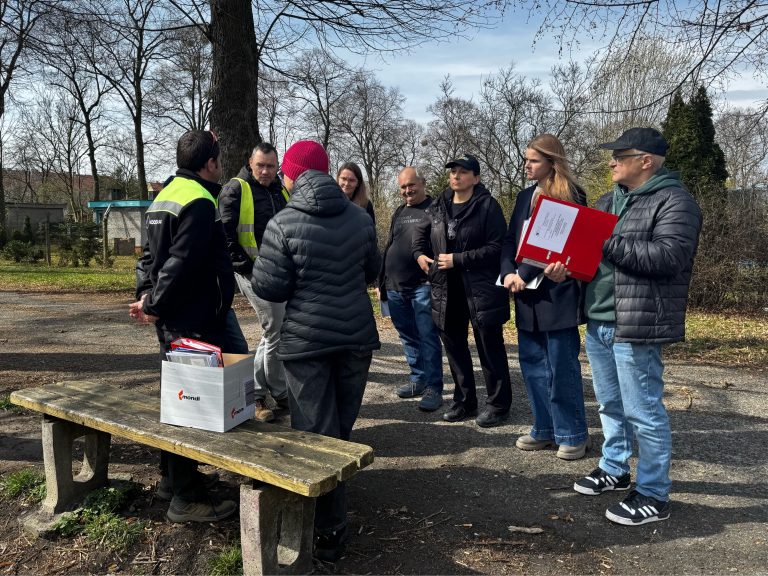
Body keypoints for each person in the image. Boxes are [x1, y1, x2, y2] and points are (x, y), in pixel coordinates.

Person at [251, 140, 380, 561]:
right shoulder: (360, 219)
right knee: (340, 430)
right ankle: (334, 515)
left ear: (292, 174)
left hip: (306, 343)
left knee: (314, 435)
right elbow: (373, 271)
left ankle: (327, 531)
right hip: (355, 338)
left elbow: (269, 287)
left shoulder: (283, 222)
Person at [572, 127, 702, 526]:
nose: (611, 162)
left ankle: (653, 494)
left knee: (643, 411)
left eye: (619, 155)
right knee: (610, 405)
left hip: (637, 323)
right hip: (599, 320)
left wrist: (603, 240)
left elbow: (668, 258)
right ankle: (614, 467)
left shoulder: (676, 201)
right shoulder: (607, 200)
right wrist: (567, 267)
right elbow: (588, 255)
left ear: (645, 160)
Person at [129, 129, 238, 523]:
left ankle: (170, 480)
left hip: (176, 314)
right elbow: (181, 263)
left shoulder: (165, 196)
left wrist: (146, 297)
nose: (221, 165)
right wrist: (155, 303)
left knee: (176, 399)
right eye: (219, 159)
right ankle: (186, 498)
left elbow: (148, 258)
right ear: (209, 163)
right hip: (191, 317)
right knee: (188, 405)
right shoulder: (200, 200)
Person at [500, 134, 590, 460]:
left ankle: (573, 433)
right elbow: (510, 240)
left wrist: (520, 275)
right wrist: (508, 273)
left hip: (557, 294)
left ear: (553, 162)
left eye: (534, 160)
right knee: (533, 365)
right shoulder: (525, 196)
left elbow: (553, 244)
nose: (527, 164)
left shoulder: (573, 195)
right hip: (526, 296)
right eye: (526, 159)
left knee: (561, 366)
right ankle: (544, 428)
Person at [413, 154, 512, 427]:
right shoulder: (438, 207)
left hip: (480, 290)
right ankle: (464, 401)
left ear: (476, 178)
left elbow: (497, 248)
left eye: (463, 172)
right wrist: (420, 255)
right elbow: (419, 236)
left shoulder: (487, 206)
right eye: (453, 171)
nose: (456, 176)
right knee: (455, 349)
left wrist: (458, 259)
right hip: (446, 289)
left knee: (489, 348)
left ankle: (498, 405)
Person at [219, 142, 290, 422]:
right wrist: (248, 268)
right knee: (275, 327)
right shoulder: (236, 189)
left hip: (278, 272)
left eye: (271, 166)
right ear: (250, 162)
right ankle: (268, 393)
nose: (265, 171)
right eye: (260, 165)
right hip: (252, 272)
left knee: (273, 330)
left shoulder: (279, 189)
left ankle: (260, 392)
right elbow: (226, 237)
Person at [377, 166, 444, 412]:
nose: (407, 190)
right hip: (395, 286)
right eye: (403, 187)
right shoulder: (399, 211)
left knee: (427, 336)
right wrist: (381, 281)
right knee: (407, 335)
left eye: (411, 185)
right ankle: (418, 379)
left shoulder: (435, 209)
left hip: (422, 285)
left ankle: (434, 388)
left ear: (422, 183)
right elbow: (390, 245)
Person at [337, 162, 376, 226]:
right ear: (338, 179)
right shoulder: (330, 202)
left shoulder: (366, 205)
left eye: (351, 180)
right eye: (343, 179)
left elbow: (371, 231)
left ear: (358, 183)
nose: (347, 184)